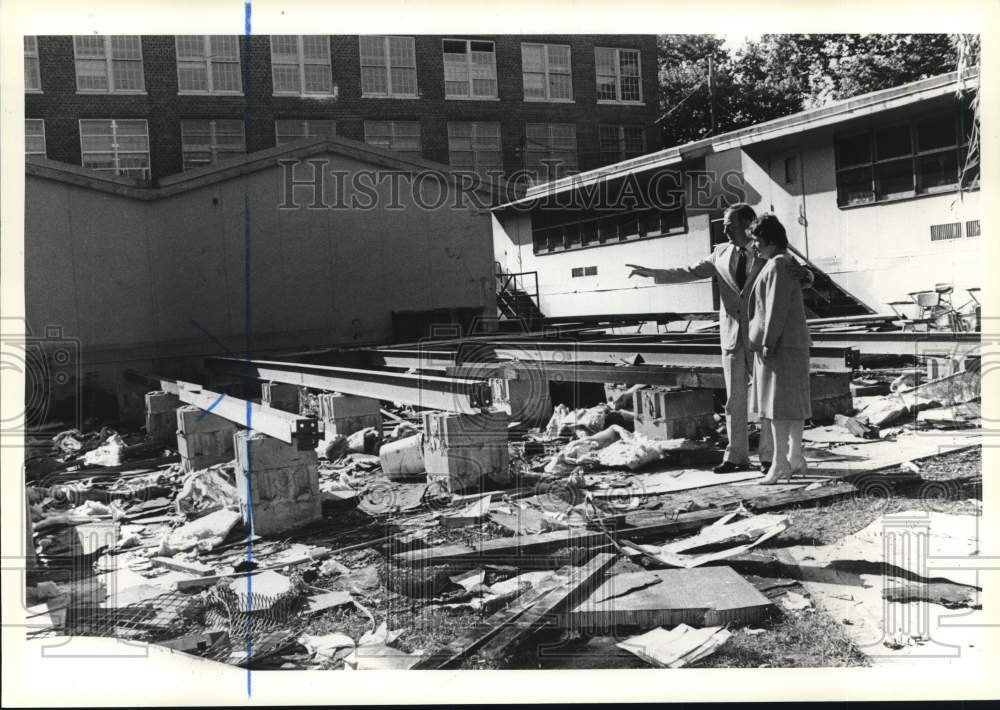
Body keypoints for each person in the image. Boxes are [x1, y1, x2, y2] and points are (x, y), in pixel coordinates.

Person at [627, 203, 813, 474]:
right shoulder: (720, 254)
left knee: (766, 400)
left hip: (760, 337)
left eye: (730, 225)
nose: (724, 230)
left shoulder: (768, 250)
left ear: (747, 223)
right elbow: (688, 271)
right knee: (734, 400)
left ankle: (768, 457)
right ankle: (736, 456)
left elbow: (800, 275)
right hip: (732, 338)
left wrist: (806, 275)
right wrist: (653, 272)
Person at [746, 214, 812, 484]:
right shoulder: (787, 262)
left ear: (770, 240)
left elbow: (774, 309)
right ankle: (795, 457)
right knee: (792, 405)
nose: (755, 246)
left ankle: (780, 463)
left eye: (758, 240)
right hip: (792, 344)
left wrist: (768, 343)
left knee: (775, 408)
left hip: (779, 346)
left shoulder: (776, 265)